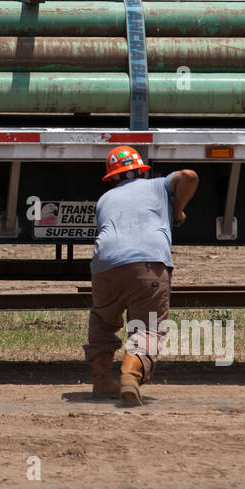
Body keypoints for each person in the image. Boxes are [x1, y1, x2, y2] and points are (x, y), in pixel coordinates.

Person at [84, 145, 198, 405]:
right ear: (142, 171)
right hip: (147, 263)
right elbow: (189, 176)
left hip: (105, 265)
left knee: (103, 320)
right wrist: (177, 210)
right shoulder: (158, 186)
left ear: (112, 178)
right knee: (147, 327)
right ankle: (130, 377)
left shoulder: (105, 199)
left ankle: (102, 382)